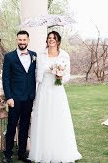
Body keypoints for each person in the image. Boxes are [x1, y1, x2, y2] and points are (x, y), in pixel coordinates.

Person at [28, 31, 82, 162]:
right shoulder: (40, 54)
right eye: (49, 38)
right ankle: (42, 152)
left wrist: (60, 76)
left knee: (58, 118)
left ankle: (61, 150)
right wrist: (42, 74)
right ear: (47, 40)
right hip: (44, 89)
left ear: (58, 41)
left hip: (57, 90)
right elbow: (35, 72)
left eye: (54, 38)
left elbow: (68, 74)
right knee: (44, 118)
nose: (51, 40)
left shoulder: (64, 55)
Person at [2, 30, 37, 163]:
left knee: (24, 126)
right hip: (15, 99)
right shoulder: (9, 57)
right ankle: (7, 154)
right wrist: (9, 97)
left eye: (24, 40)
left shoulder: (34, 56)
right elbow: (6, 79)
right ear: (17, 40)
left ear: (28, 40)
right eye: (20, 40)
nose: (22, 42)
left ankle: (22, 154)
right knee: (11, 126)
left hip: (28, 98)